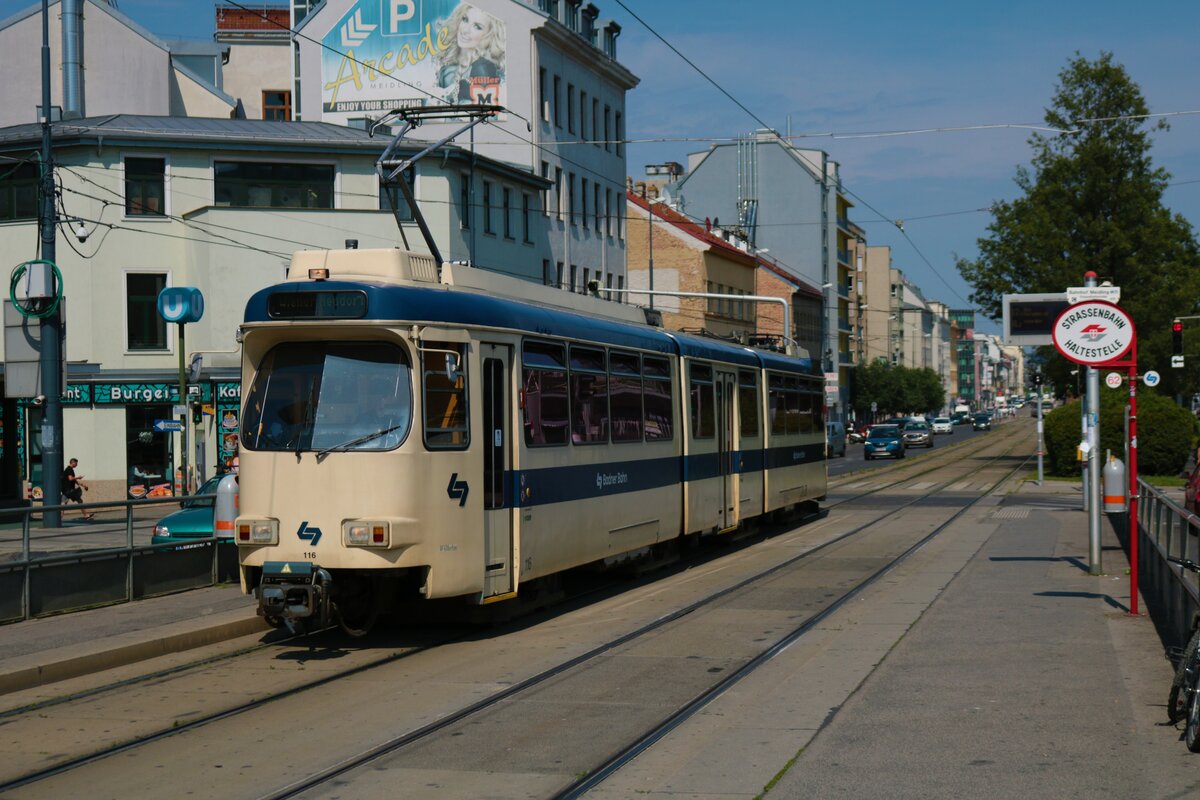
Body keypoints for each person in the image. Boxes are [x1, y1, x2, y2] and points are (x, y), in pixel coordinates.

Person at [435, 3, 505, 105]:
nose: (465, 30)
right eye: (465, 20)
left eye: (477, 27)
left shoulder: (482, 68)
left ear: (490, 36)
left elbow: (481, 113)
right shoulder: (446, 71)